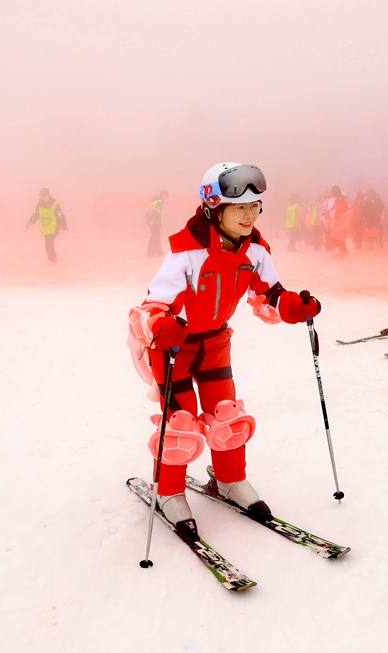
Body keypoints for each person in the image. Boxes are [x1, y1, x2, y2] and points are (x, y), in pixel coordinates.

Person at [128, 162, 322, 541]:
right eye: (240, 208)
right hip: (174, 347)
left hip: (215, 343)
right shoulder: (186, 252)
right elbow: (155, 305)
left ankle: (229, 479)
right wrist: (162, 324)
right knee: (180, 423)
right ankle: (168, 491)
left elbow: (269, 293)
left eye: (255, 206)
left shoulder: (256, 251)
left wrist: (293, 308)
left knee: (227, 417)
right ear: (214, 209)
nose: (250, 215)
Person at [26, 187, 68, 263]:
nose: (42, 197)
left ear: (48, 195)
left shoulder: (55, 205)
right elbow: (35, 215)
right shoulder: (39, 206)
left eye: (44, 195)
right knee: (48, 245)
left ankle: (52, 259)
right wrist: (29, 222)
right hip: (46, 229)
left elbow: (61, 216)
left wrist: (64, 226)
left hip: (54, 228)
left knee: (49, 243)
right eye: (41, 195)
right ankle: (51, 258)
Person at [325, 186, 351, 258]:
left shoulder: (332, 200)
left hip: (335, 221)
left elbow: (331, 211)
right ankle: (344, 253)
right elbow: (349, 211)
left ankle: (335, 250)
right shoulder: (344, 200)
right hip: (344, 222)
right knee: (341, 237)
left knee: (328, 234)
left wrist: (329, 220)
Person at [146, 190, 169, 258]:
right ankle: (157, 253)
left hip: (153, 223)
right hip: (156, 223)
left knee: (154, 237)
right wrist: (151, 219)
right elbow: (156, 212)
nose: (165, 198)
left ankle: (152, 252)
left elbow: (150, 212)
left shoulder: (154, 201)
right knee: (156, 238)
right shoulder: (159, 203)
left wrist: (148, 220)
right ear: (163, 195)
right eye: (165, 197)